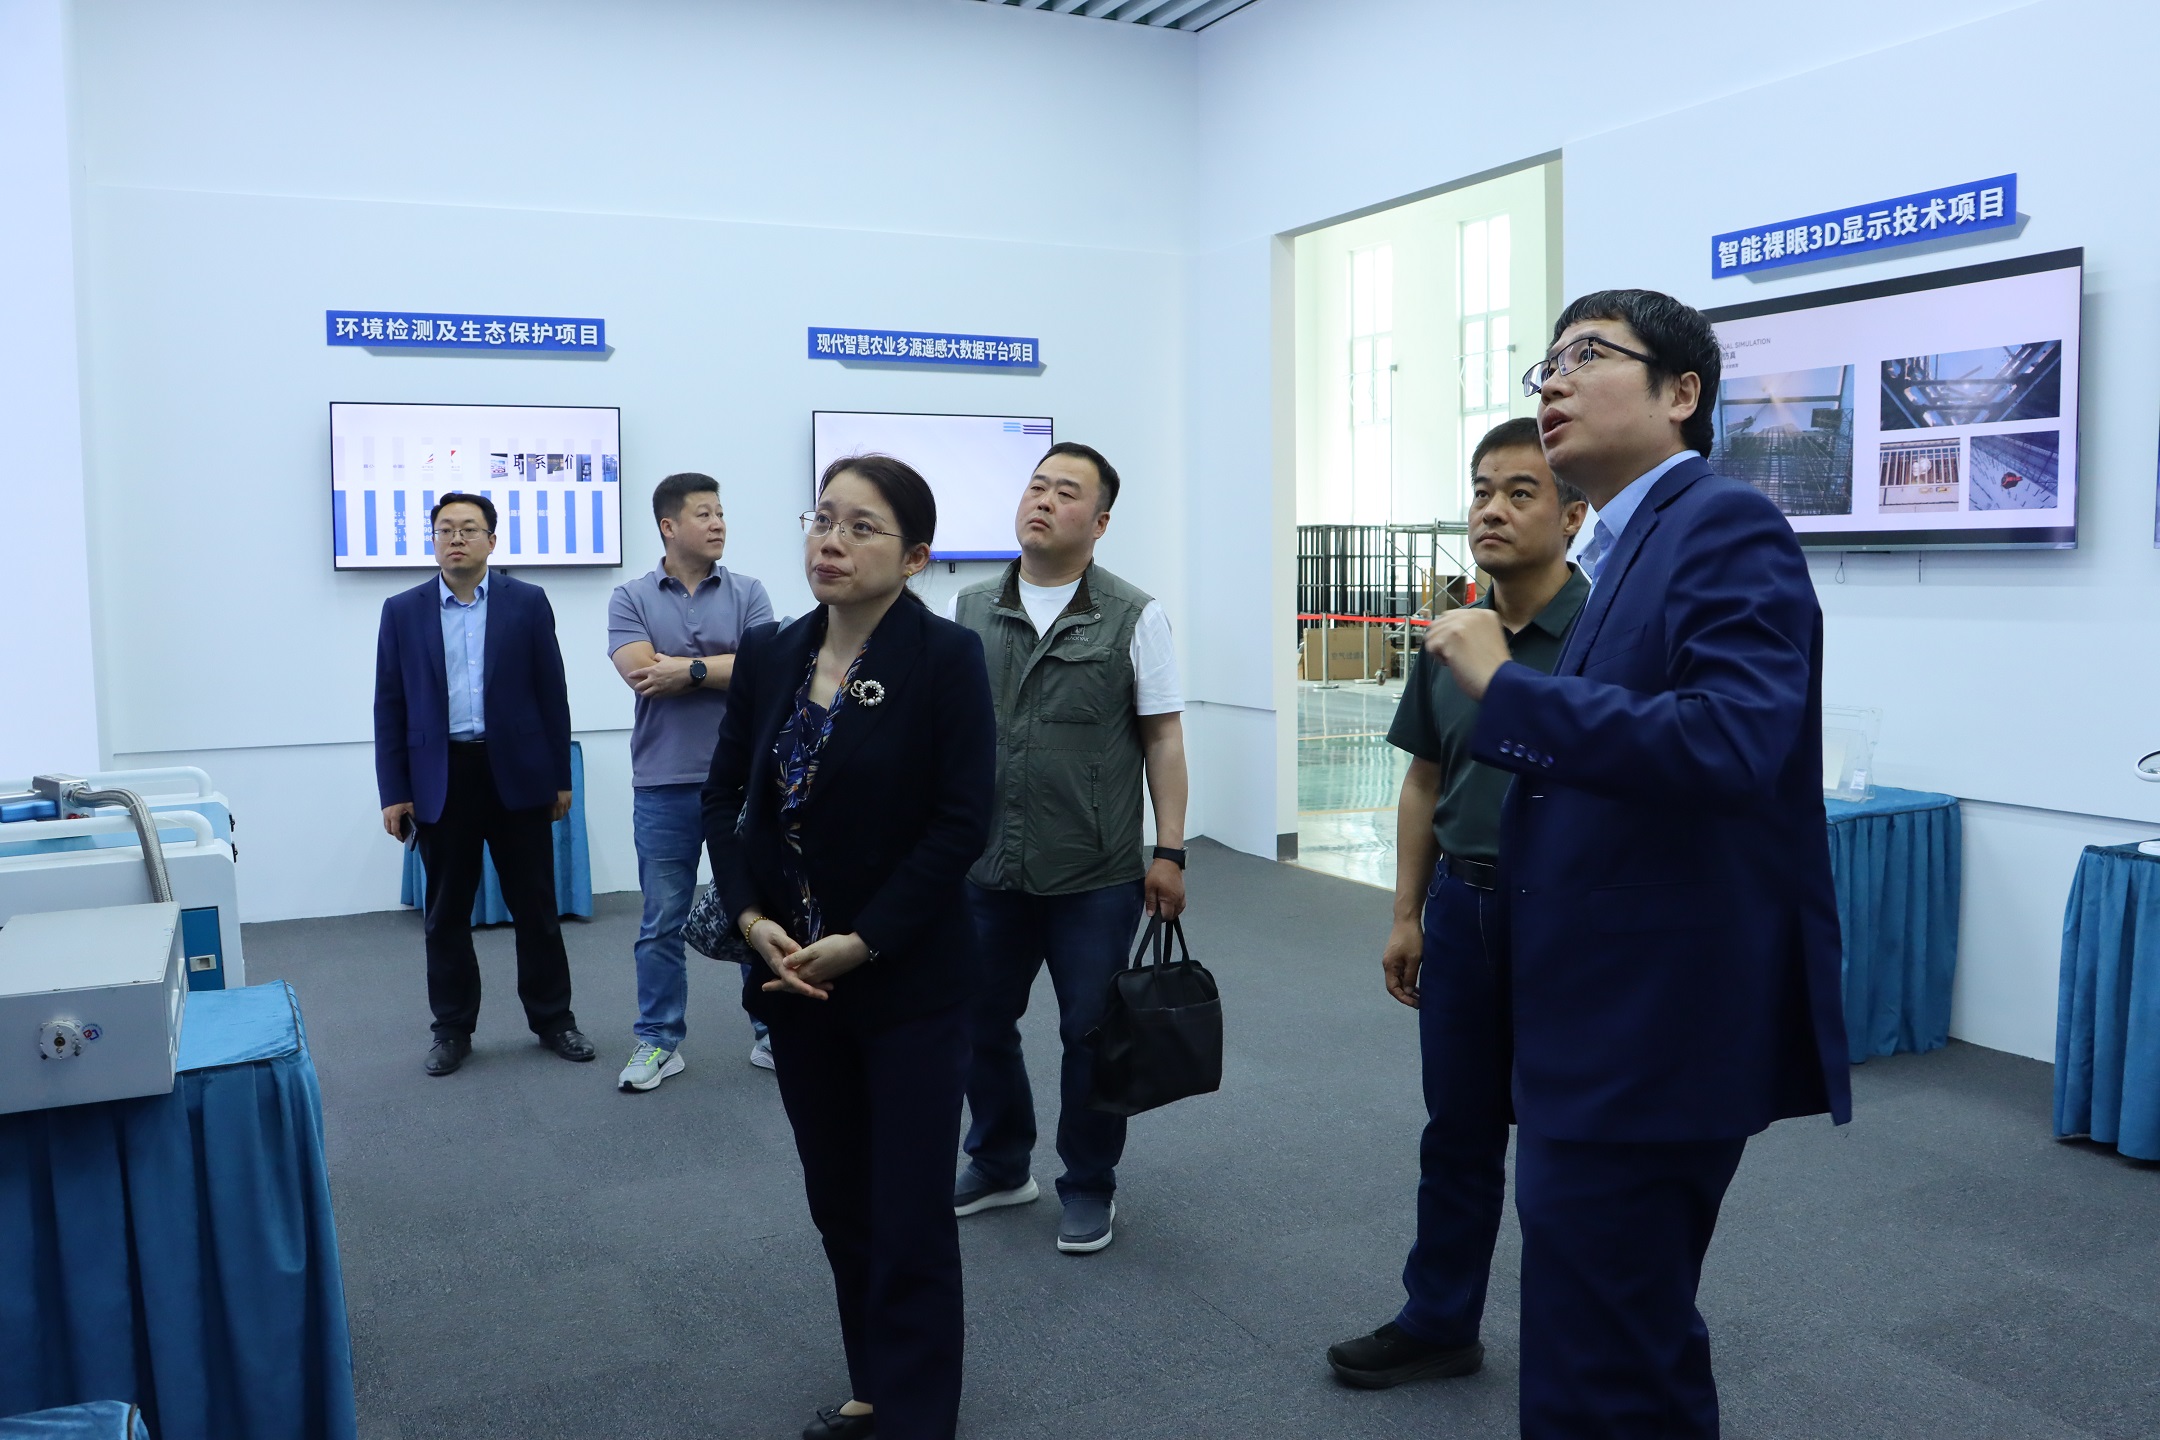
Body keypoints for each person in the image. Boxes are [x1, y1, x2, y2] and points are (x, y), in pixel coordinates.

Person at [1423, 290, 1851, 1438]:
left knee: (1607, 1356)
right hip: (1600, 1010)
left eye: (1586, 356)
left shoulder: (1722, 522)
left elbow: (1732, 743)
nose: (1553, 383)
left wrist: (1505, 687)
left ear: (1681, 393)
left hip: (1652, 1025)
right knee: (1603, 1336)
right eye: (1545, 366)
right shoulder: (1628, 547)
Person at [702, 455, 994, 1440]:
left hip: (906, 979)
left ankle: (918, 1416)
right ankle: (876, 1381)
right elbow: (724, 800)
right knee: (840, 1199)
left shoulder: (945, 658)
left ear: (914, 557)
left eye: (862, 527)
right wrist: (751, 921)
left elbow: (961, 823)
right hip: (792, 978)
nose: (831, 541)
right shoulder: (771, 652)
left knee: (909, 1208)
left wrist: (865, 940)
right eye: (823, 519)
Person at [1326, 416, 1588, 1388]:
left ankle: (1580, 1342)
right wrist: (1406, 913)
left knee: (1570, 1145)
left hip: (1567, 923)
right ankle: (1440, 1320)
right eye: (1482, 490)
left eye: (1521, 492)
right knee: (1459, 1133)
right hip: (1463, 910)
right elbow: (1424, 782)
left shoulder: (1602, 635)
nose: (1492, 510)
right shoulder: (1449, 635)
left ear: (1573, 515)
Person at [947, 440, 1189, 1256]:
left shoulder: (1133, 614)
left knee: (1091, 1034)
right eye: (1036, 485)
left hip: (1095, 872)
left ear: (1100, 521)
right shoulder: (972, 608)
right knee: (978, 1020)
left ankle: (1088, 1183)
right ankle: (999, 1160)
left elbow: (1163, 738)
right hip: (987, 867)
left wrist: (1171, 852)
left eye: (1066, 491)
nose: (1043, 500)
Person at [374, 491, 595, 1076]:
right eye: (445, 529)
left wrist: (558, 776)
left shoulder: (527, 602)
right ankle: (451, 1029)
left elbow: (551, 691)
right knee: (446, 914)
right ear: (433, 541)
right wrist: (394, 790)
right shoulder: (402, 611)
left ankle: (554, 1020)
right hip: (441, 777)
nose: (456, 538)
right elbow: (389, 705)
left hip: (516, 774)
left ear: (492, 541)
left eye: (469, 528)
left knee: (536, 908)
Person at [607, 472, 774, 1091]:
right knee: (662, 919)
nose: (718, 523)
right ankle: (658, 1040)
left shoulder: (750, 592)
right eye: (704, 513)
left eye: (721, 512)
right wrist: (720, 667)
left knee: (755, 910)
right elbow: (641, 673)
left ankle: (772, 1031)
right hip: (663, 782)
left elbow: (766, 667)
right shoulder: (630, 597)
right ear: (669, 526)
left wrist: (689, 669)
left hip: (744, 782)